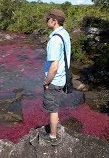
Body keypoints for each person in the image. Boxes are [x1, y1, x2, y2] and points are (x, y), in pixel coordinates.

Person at [39, 9, 71, 146]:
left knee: (52, 109)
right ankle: (55, 124)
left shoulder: (54, 40)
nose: (46, 21)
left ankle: (52, 136)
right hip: (62, 78)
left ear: (54, 21)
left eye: (48, 19)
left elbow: (54, 66)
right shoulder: (64, 33)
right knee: (55, 104)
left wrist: (46, 82)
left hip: (54, 80)